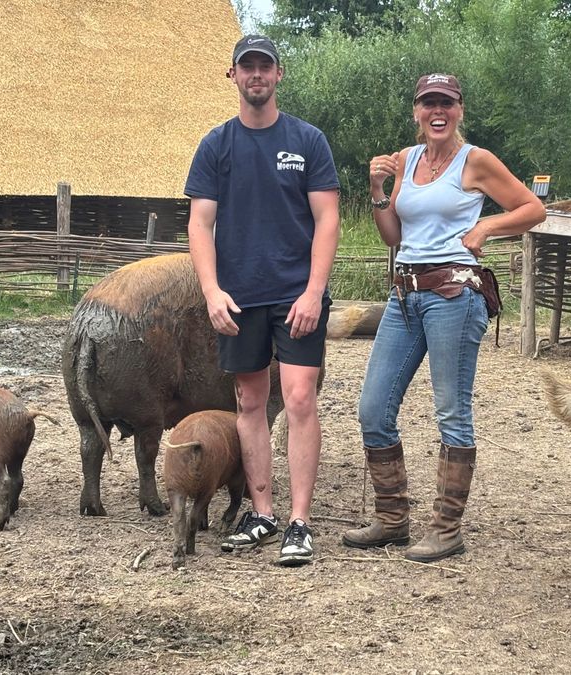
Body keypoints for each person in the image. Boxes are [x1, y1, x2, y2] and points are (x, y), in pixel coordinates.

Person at [341, 73, 546, 563]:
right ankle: (392, 520)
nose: (438, 111)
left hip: (455, 294)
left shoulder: (476, 160)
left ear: (459, 110)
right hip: (405, 295)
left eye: (447, 104)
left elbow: (533, 208)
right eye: (428, 103)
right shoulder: (405, 160)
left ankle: (446, 529)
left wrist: (489, 225)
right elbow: (393, 236)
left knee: (452, 410)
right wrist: (376, 189)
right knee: (373, 408)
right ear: (416, 111)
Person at [185, 35, 340, 567]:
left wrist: (314, 292)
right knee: (250, 403)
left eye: (265, 68)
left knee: (298, 400)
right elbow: (200, 223)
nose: (257, 76)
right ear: (233, 75)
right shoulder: (216, 145)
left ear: (278, 75)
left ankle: (300, 521)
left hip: (296, 294)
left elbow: (327, 219)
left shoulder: (308, 140)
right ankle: (262, 513)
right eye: (247, 67)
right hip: (240, 296)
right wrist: (211, 291)